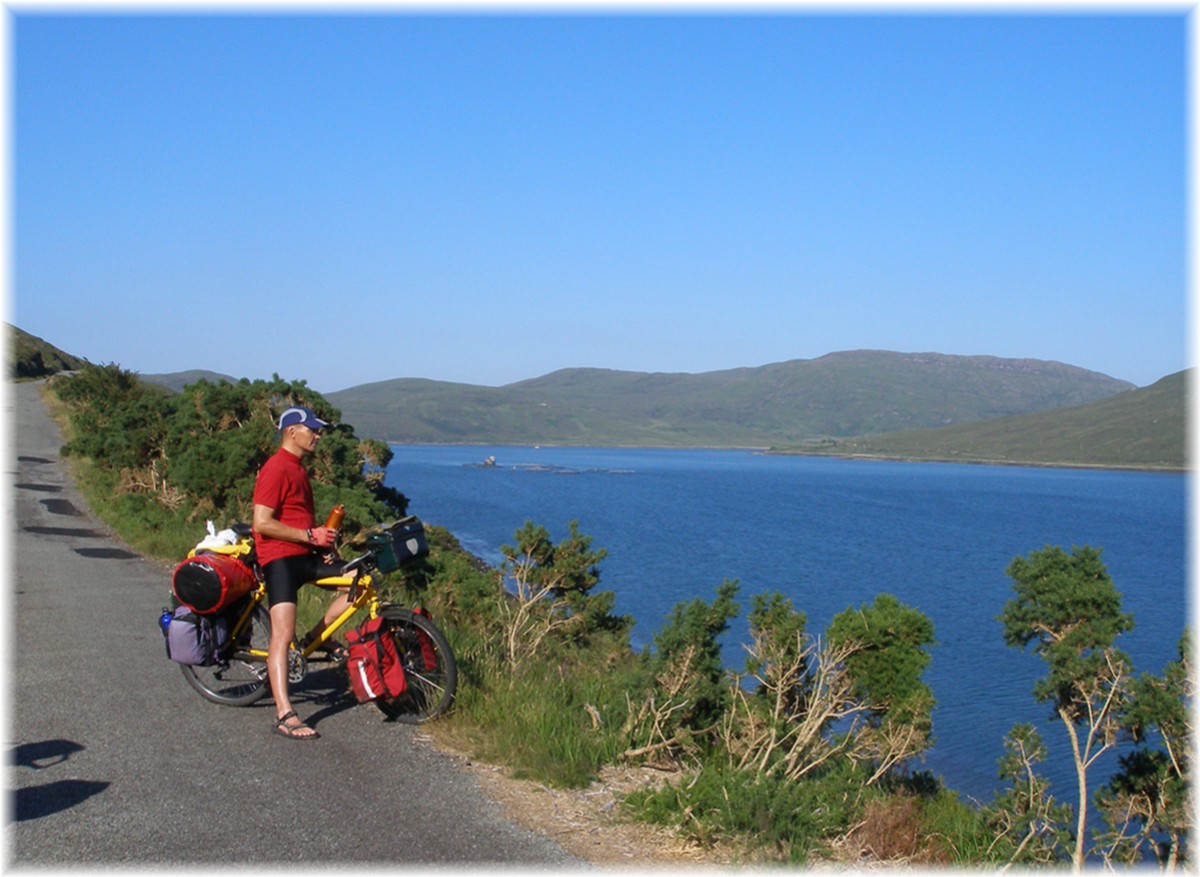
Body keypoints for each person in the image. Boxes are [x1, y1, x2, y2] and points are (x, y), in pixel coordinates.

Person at [252, 405, 351, 740]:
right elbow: (261, 523)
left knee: (359, 582)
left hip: (306, 554)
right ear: (292, 432)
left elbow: (299, 518)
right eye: (313, 430)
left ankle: (315, 641)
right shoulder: (276, 468)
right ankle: (285, 714)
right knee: (282, 634)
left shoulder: (298, 469)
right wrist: (309, 536)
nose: (318, 436)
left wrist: (322, 542)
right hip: (279, 558)